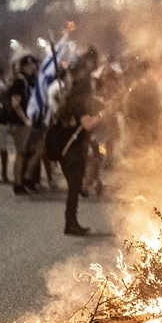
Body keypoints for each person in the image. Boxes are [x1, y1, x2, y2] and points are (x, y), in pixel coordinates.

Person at [46, 56, 101, 236]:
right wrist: (101, 116)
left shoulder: (69, 102)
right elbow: (87, 124)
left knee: (74, 188)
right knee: (74, 188)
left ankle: (72, 222)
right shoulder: (80, 104)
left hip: (67, 151)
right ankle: (71, 223)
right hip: (73, 152)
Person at [10, 55, 39, 194]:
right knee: (21, 153)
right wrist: (25, 119)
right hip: (21, 123)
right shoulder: (19, 82)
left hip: (27, 121)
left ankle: (23, 180)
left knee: (27, 152)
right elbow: (15, 103)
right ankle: (17, 183)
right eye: (28, 65)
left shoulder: (30, 80)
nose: (31, 67)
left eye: (32, 65)